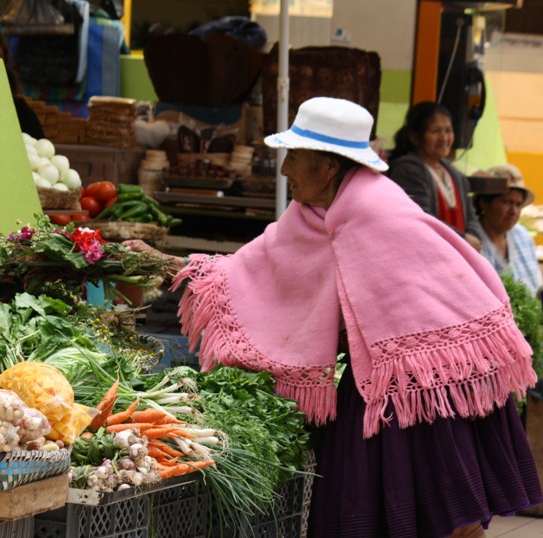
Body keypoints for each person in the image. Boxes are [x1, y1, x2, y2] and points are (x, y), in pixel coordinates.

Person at [124, 97, 541, 537]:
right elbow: (251, 272)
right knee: (369, 511)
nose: (285, 171)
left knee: (451, 519)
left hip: (427, 383)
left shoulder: (379, 210)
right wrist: (163, 263)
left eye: (295, 159)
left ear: (327, 166)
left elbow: (434, 293)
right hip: (375, 380)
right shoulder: (312, 212)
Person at [387, 101, 482, 252]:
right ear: (415, 137)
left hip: (456, 257)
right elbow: (422, 217)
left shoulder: (455, 175)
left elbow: (471, 217)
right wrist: (462, 240)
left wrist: (474, 238)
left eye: (448, 130)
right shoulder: (407, 170)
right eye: (435, 131)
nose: (444, 138)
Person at [473, 163, 541, 295]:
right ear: (484, 203)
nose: (513, 211)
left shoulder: (523, 236)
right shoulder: (472, 241)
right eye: (507, 202)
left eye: (518, 204)